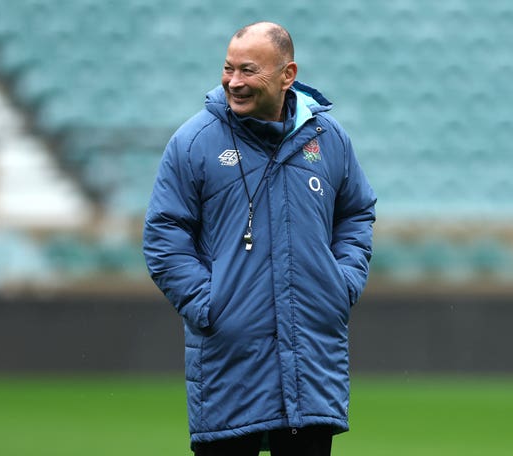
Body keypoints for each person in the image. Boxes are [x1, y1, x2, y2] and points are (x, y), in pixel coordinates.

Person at [143, 21, 377, 456]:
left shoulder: (330, 140)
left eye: (249, 71)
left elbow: (356, 213)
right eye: (228, 69)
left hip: (311, 368)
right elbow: (163, 235)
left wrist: (340, 284)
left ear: (288, 74)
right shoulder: (193, 142)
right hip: (230, 367)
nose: (234, 82)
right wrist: (208, 304)